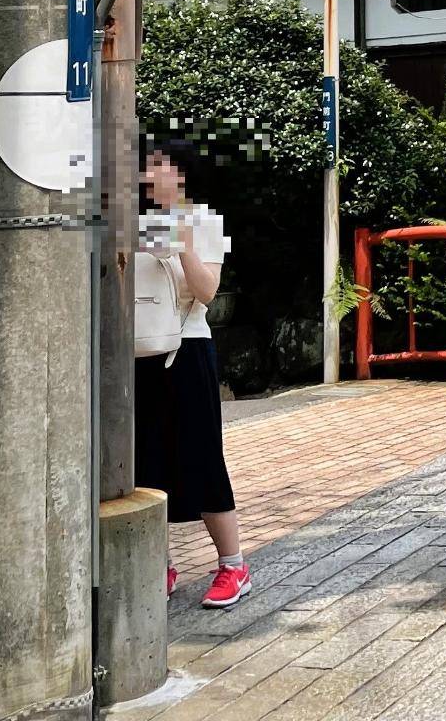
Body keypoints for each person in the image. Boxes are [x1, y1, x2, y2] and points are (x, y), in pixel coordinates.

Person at [135, 141, 249, 608]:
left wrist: (181, 245)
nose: (151, 176)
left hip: (188, 351)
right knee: (145, 463)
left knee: (202, 457)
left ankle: (233, 565)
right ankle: (157, 564)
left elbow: (206, 293)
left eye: (161, 167)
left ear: (183, 174)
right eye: (148, 168)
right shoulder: (131, 224)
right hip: (138, 354)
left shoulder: (206, 221)